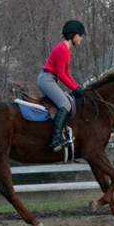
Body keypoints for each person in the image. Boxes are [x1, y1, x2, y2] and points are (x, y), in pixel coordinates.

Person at [37, 20, 86, 152]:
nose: (81, 38)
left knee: (67, 102)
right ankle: (56, 139)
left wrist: (77, 86)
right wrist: (75, 88)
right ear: (72, 35)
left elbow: (67, 73)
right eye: (80, 35)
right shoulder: (62, 49)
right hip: (46, 79)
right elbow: (61, 75)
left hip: (50, 79)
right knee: (65, 104)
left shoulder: (67, 50)